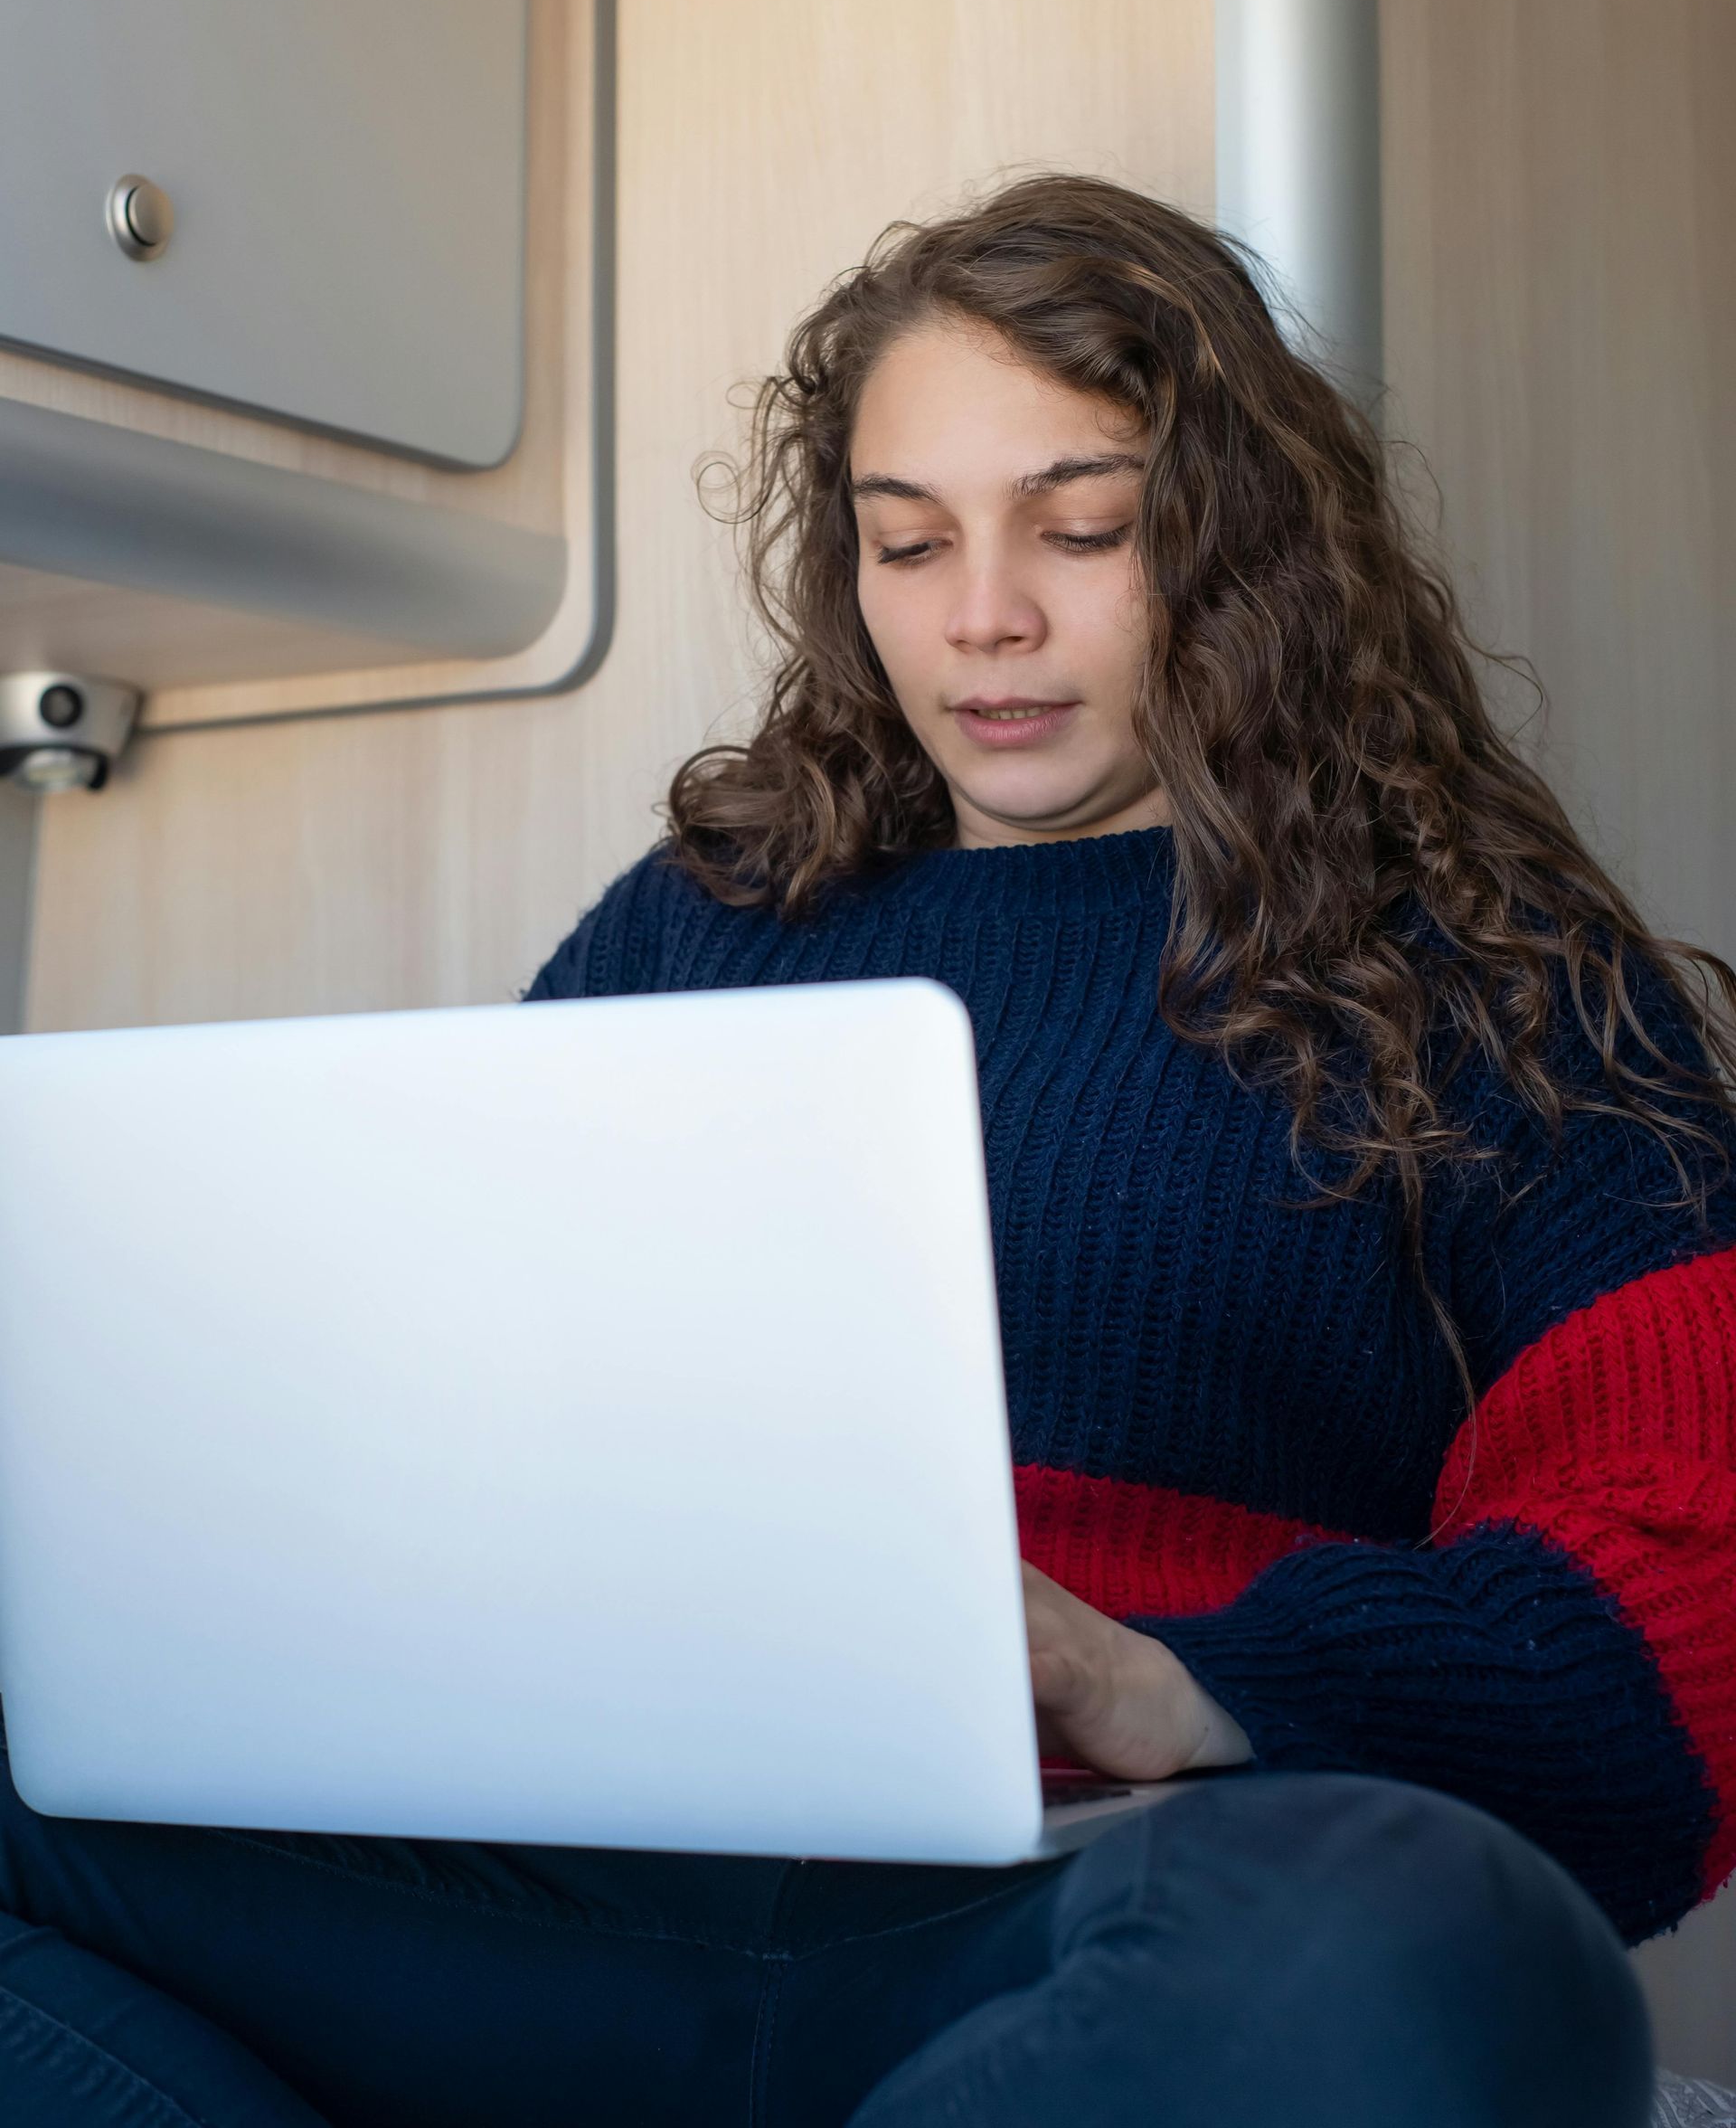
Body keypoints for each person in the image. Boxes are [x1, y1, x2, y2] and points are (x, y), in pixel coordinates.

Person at [1, 174, 1731, 2127]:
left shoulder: (1496, 974)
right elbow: (450, 1415)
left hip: (1072, 1907)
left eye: (1083, 528)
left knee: (1420, 1947)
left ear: (1244, 544)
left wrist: (1169, 1678)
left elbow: (1690, 1588)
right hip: (578, 1884)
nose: (984, 616)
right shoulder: (706, 923)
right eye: (909, 544)